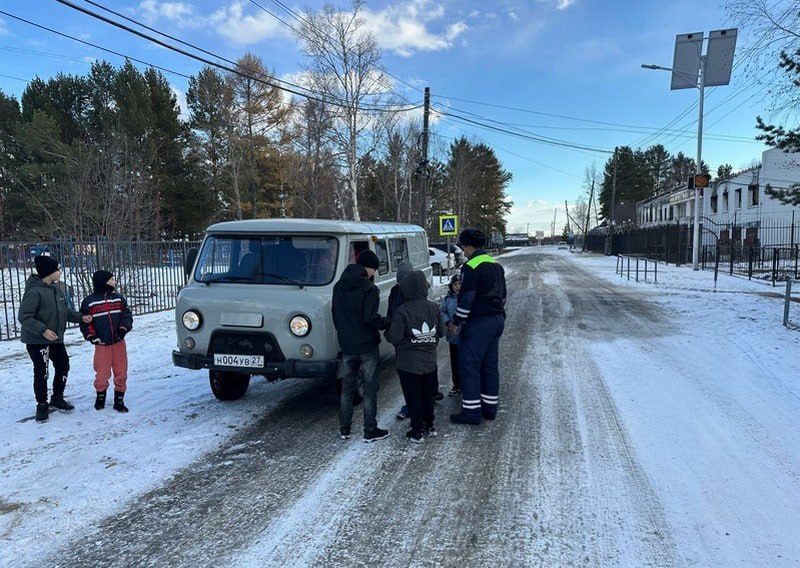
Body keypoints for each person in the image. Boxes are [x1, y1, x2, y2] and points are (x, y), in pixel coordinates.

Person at [18, 255, 92, 423]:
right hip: (37, 341)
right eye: (57, 269)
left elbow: (64, 312)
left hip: (56, 339)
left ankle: (57, 397)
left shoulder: (56, 289)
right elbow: (24, 316)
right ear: (49, 272)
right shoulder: (34, 292)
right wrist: (43, 330)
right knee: (41, 371)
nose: (60, 272)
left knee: (63, 365)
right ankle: (42, 405)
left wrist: (81, 317)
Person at [331, 249, 390, 443]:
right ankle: (370, 430)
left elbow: (335, 315)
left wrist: (344, 334)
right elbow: (370, 318)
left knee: (347, 388)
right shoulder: (369, 288)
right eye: (375, 269)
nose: (375, 273)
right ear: (369, 267)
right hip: (366, 345)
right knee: (369, 388)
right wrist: (386, 322)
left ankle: (344, 428)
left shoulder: (339, 286)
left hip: (347, 345)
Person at [450, 229, 507, 425]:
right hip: (497, 319)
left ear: (469, 246)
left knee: (470, 365)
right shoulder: (495, 265)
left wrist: (457, 322)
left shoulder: (470, 267)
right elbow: (503, 295)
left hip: (479, 322)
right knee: (490, 365)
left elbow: (467, 298)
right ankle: (490, 408)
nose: (462, 251)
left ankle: (471, 412)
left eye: (463, 247)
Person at [385, 270, 445, 443]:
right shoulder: (434, 307)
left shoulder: (402, 311)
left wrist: (387, 334)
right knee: (427, 394)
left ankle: (417, 430)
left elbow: (394, 337)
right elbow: (440, 332)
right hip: (429, 361)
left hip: (408, 363)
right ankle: (430, 425)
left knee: (413, 396)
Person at [79, 270, 133, 413]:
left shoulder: (118, 299)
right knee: (101, 373)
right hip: (101, 344)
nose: (114, 282)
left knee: (121, 371)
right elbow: (85, 323)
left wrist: (123, 329)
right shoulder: (89, 302)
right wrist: (91, 336)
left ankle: (119, 400)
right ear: (103, 282)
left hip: (118, 342)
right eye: (111, 279)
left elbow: (126, 315)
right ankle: (100, 396)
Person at [440, 273, 462, 396]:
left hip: (465, 336)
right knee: (455, 362)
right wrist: (449, 323)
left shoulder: (466, 298)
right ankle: (457, 384)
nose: (457, 287)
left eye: (459, 284)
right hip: (453, 337)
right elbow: (442, 312)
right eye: (455, 284)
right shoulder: (447, 299)